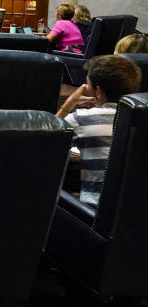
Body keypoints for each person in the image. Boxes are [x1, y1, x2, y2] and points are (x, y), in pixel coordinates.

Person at [57, 55, 142, 205]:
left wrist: (69, 103)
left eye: (87, 85)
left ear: (98, 91)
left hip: (95, 215)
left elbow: (44, 142)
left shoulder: (82, 118)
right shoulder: (142, 120)